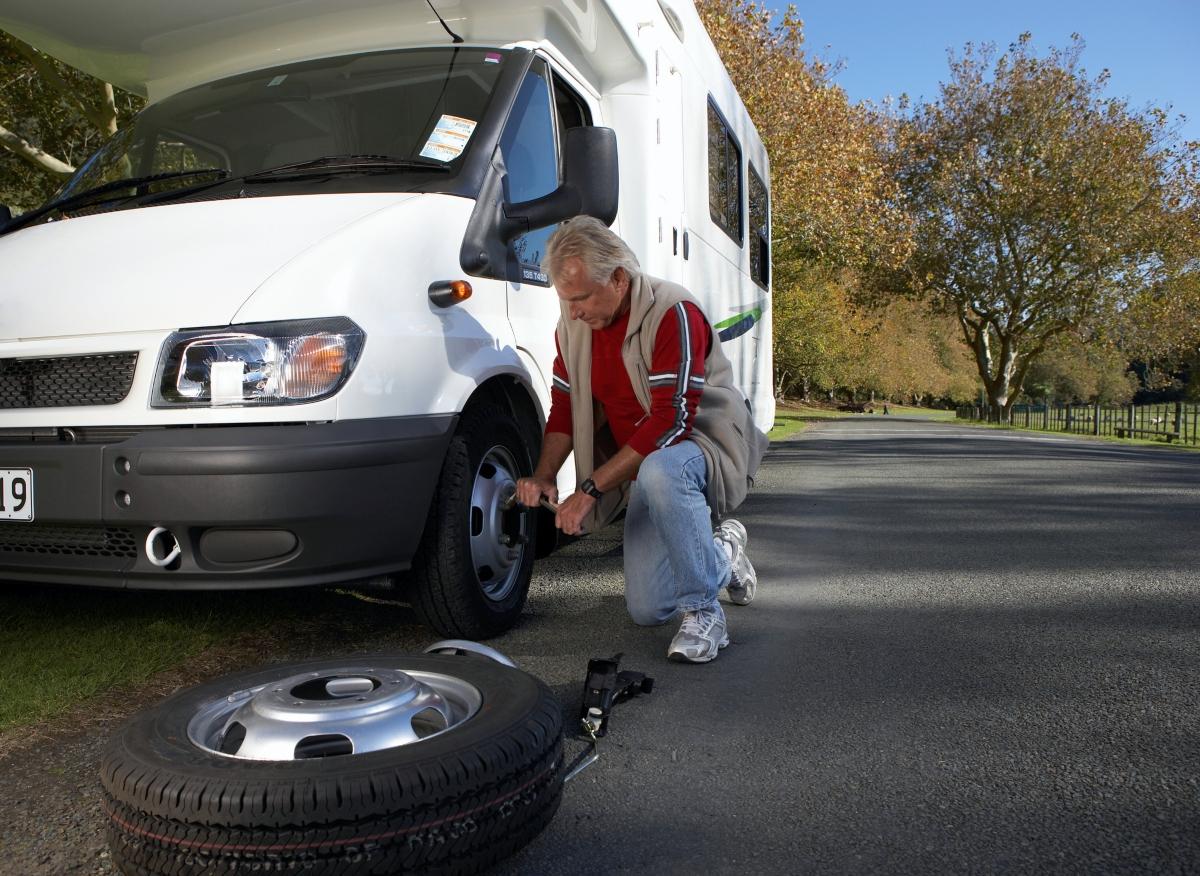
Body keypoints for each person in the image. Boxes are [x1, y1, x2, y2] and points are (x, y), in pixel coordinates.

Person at [515, 217, 769, 663]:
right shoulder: (573, 326)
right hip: (643, 464)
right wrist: (544, 475)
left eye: (579, 298)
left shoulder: (674, 311)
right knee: (648, 609)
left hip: (702, 446)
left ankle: (704, 612)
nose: (572, 312)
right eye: (565, 300)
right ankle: (723, 552)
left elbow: (671, 423)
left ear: (617, 278)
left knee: (662, 466)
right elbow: (563, 405)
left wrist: (590, 489)